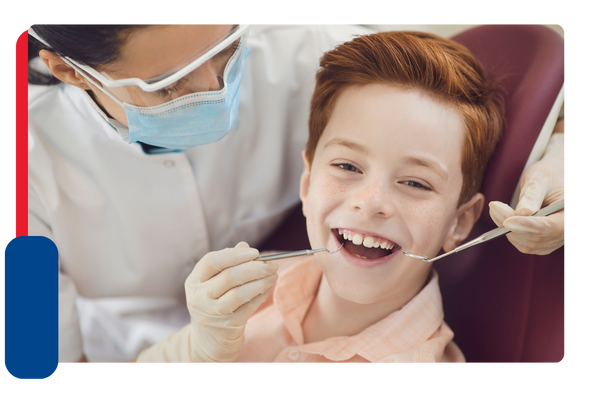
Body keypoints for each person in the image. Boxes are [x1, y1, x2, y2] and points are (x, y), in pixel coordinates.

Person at [27, 21, 566, 364]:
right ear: (66, 72)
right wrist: (194, 352)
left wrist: (563, 141)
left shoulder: (306, 56)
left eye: (225, 52)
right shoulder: (23, 170)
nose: (216, 90)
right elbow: (34, 360)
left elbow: (445, 92)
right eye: (169, 85)